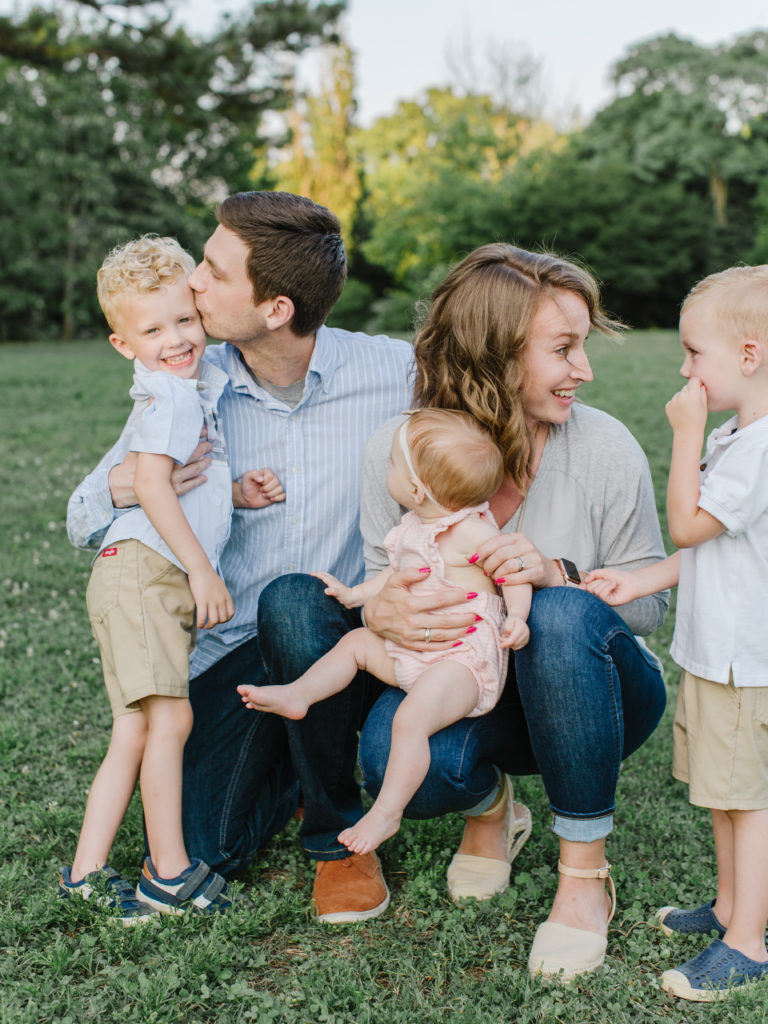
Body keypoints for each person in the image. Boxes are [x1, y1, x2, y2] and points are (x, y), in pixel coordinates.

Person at [67, 192, 414, 924]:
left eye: (214, 273)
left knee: (292, 599)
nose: (192, 281)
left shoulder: (394, 373)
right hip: (232, 657)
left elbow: (486, 398)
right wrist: (129, 486)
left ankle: (337, 840)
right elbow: (80, 515)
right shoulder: (186, 380)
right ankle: (293, 763)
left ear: (277, 308)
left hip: (340, 642)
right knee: (206, 844)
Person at [342, 242, 668, 981]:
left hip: (603, 692)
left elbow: (651, 604)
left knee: (557, 615)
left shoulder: (605, 447)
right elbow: (379, 580)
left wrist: (561, 574)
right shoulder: (400, 453)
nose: (584, 369)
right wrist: (382, 615)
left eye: (582, 345)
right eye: (563, 349)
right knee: (391, 760)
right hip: (471, 689)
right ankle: (494, 810)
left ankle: (584, 876)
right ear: (494, 354)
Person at [62, 235, 282, 922]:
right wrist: (201, 570)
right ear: (123, 344)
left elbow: (182, 484)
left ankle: (88, 873)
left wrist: (235, 495)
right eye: (152, 330)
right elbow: (152, 483)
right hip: (148, 572)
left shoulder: (183, 390)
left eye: (184, 319)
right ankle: (171, 874)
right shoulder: (174, 400)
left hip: (134, 571)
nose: (178, 338)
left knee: (135, 728)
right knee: (170, 719)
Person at [584, 265, 768, 1001]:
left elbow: (691, 520)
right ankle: (729, 907)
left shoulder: (756, 450)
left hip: (745, 663)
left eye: (695, 354)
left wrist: (684, 438)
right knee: (726, 794)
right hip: (717, 655)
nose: (684, 368)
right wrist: (642, 580)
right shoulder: (739, 435)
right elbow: (709, 547)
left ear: (749, 357)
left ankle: (748, 942)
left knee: (748, 801)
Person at [237, 408, 533, 857]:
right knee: (355, 644)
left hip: (463, 663)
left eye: (393, 463)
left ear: (417, 488)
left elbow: (513, 572)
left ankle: (387, 812)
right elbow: (392, 576)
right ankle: (300, 693)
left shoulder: (471, 531)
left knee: (410, 719)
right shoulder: (412, 527)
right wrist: (354, 595)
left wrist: (517, 616)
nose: (385, 468)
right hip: (416, 654)